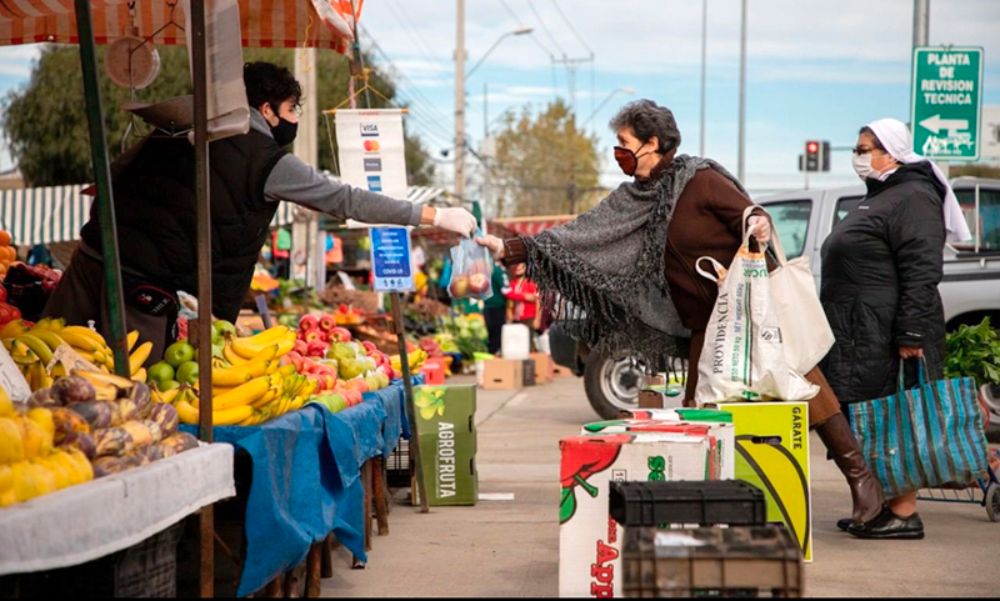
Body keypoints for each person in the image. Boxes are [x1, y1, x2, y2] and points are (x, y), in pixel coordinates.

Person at [476, 98, 885, 530]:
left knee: (808, 390)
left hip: (751, 317)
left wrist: (759, 224)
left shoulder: (701, 180)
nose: (618, 152)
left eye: (623, 142)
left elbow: (748, 211)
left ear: (652, 142)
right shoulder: (632, 198)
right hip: (702, 329)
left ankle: (864, 484)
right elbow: (581, 236)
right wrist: (514, 249)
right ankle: (714, 509)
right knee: (700, 412)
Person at [43, 62, 476, 360]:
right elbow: (344, 199)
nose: (293, 120)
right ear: (266, 110)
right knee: (134, 386)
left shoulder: (177, 126)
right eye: (291, 110)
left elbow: (110, 176)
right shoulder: (264, 160)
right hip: (145, 288)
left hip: (92, 256)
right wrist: (434, 216)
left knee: (46, 359)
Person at [820, 118, 970, 540]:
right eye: (858, 147)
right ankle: (880, 507)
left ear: (892, 151)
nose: (858, 155)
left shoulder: (914, 197)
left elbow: (922, 270)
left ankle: (904, 512)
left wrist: (911, 333)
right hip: (859, 330)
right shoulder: (884, 195)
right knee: (869, 418)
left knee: (895, 417)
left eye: (865, 147)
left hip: (888, 333)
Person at [504, 262, 540, 339]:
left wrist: (537, 319)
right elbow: (509, 300)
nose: (518, 267)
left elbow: (538, 301)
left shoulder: (531, 283)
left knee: (528, 343)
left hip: (529, 318)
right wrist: (524, 296)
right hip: (516, 319)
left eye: (521, 264)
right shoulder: (512, 284)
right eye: (516, 264)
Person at [482, 261, 510, 355]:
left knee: (492, 334)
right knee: (497, 335)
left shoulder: (487, 268)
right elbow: (505, 289)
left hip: (488, 305)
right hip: (497, 306)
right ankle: (495, 358)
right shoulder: (498, 270)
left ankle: (491, 355)